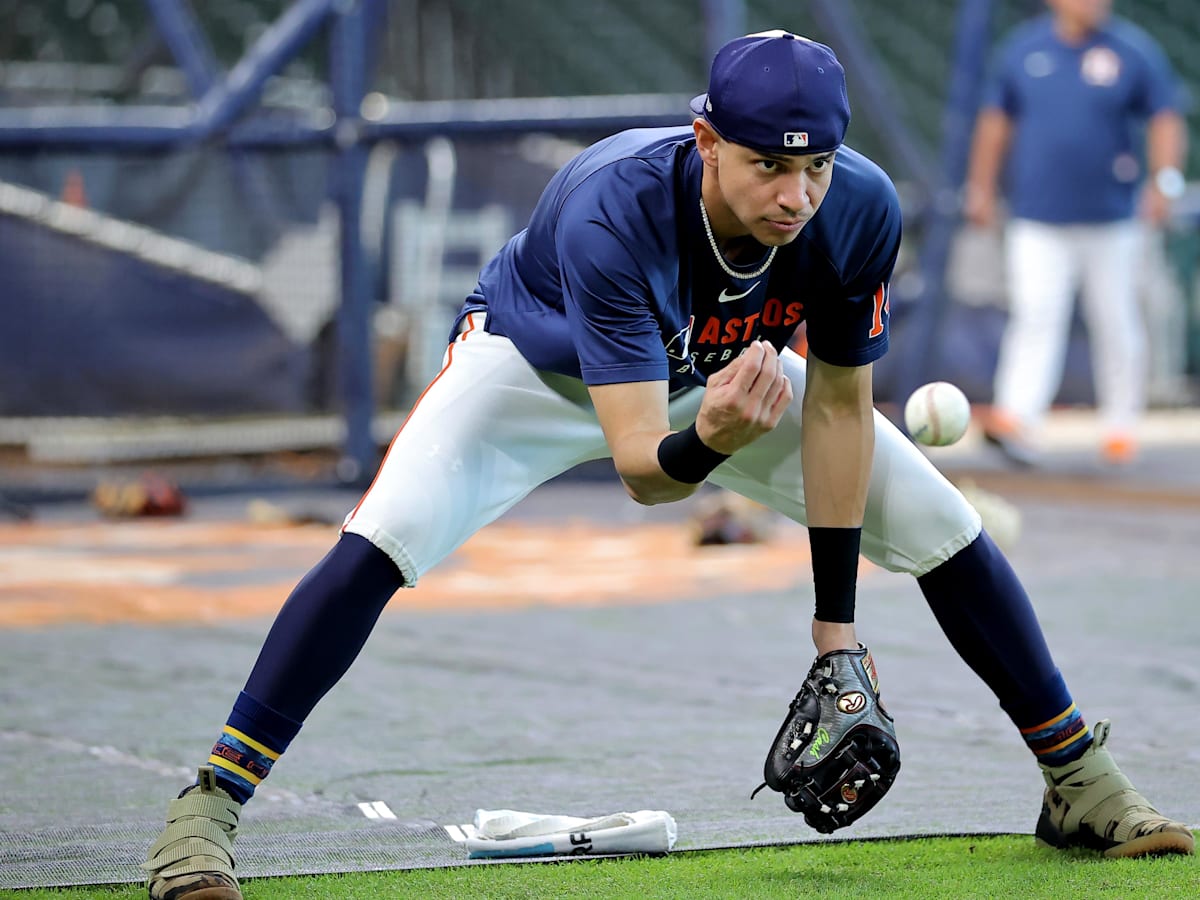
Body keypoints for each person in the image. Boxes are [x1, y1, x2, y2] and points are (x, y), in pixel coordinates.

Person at [142, 30, 1193, 900]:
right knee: (387, 537)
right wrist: (714, 438)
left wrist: (835, 634)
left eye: (817, 166)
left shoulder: (858, 209)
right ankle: (209, 806)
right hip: (536, 371)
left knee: (940, 523)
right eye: (769, 165)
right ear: (706, 142)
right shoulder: (617, 207)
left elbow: (838, 408)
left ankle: (1078, 780)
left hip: (721, 379)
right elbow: (646, 473)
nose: (797, 195)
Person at [964, 0, 1188, 467]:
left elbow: (1165, 116)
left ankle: (1121, 426)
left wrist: (1164, 181)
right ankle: (1017, 419)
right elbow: (995, 121)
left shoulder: (1132, 50)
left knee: (1116, 318)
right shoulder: (1023, 50)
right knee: (1035, 314)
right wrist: (981, 187)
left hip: (1113, 218)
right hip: (1037, 215)